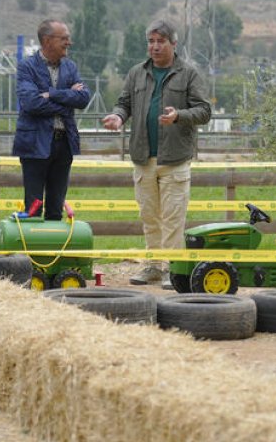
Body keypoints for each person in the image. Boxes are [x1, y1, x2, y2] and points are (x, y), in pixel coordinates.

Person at [102, 20, 211, 286]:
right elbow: (124, 103)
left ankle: (174, 270)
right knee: (149, 216)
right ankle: (153, 266)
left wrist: (179, 116)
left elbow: (204, 111)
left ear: (174, 44)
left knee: (173, 217)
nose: (155, 46)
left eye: (161, 41)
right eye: (151, 41)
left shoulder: (189, 74)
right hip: (142, 157)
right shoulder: (136, 73)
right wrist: (118, 117)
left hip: (175, 159)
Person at [13, 20, 91, 220]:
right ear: (47, 41)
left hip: (64, 144)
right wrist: (66, 100)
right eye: (64, 38)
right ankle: (32, 251)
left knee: (56, 210)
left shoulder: (71, 67)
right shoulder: (27, 67)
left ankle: (54, 251)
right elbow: (31, 104)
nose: (69, 43)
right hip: (34, 145)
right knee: (33, 210)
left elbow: (83, 99)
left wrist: (51, 94)